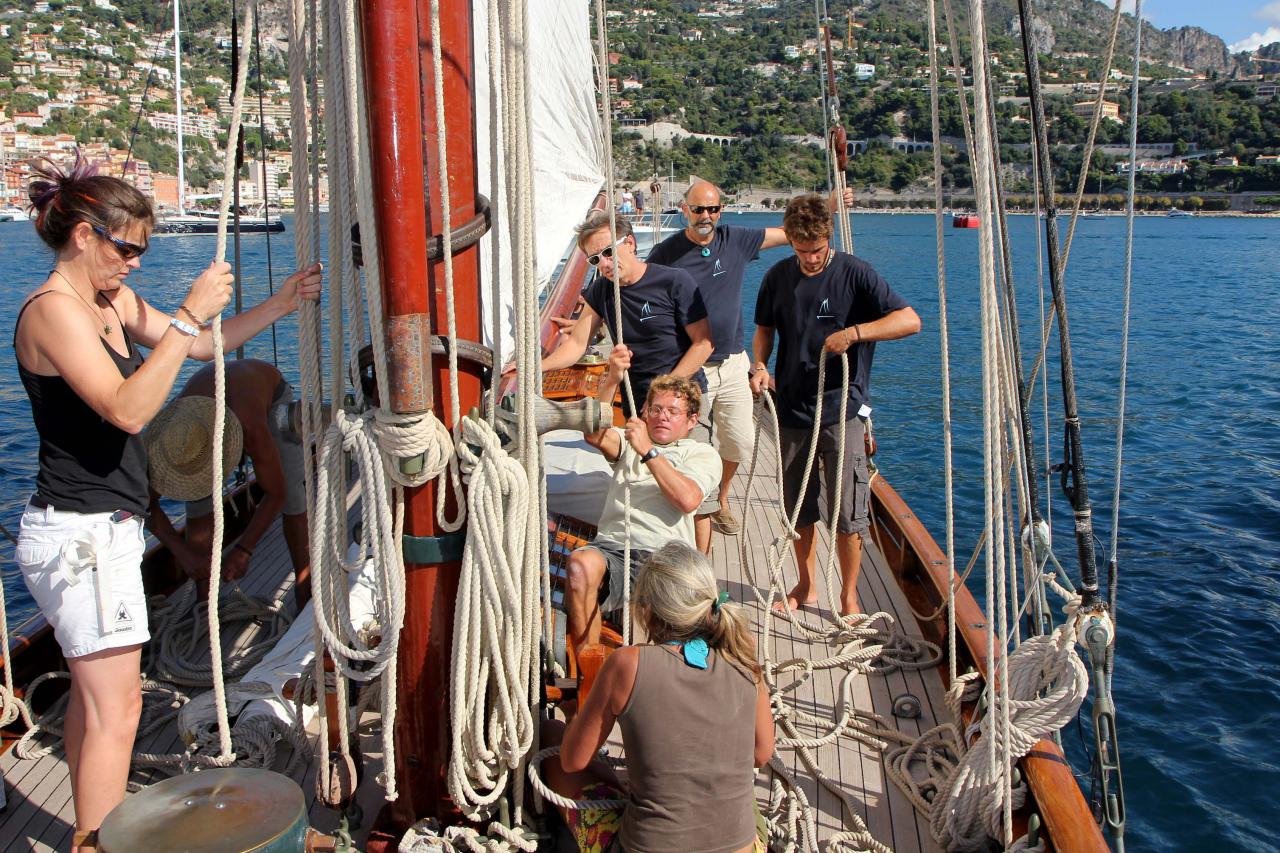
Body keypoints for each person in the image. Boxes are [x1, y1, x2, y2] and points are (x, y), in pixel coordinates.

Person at [11, 153, 322, 849]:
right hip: (78, 536)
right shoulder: (51, 314)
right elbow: (126, 407)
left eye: (143, 252)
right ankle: (95, 840)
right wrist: (185, 312)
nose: (134, 264)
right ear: (83, 235)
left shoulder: (108, 302)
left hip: (107, 529)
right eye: (126, 249)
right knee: (117, 707)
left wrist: (278, 304)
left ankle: (88, 838)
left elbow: (200, 347)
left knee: (97, 706)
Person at [647, 180, 854, 548]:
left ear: (720, 211)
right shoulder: (666, 253)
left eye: (713, 209)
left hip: (732, 362)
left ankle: (721, 494)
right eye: (698, 209)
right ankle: (701, 512)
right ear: (684, 211)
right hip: (691, 366)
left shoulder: (736, 239)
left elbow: (792, 233)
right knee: (695, 445)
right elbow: (638, 285)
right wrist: (593, 310)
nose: (706, 216)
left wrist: (831, 205)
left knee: (739, 444)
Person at [543, 541, 774, 853]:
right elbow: (761, 754)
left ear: (648, 612)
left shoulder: (626, 664)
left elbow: (573, 761)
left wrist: (572, 717)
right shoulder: (744, 659)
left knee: (551, 740)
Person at [750, 193, 919, 617]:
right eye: (801, 250)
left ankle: (848, 597)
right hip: (791, 410)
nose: (809, 259)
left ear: (830, 238)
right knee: (799, 511)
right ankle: (806, 587)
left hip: (842, 411)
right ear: (790, 242)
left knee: (847, 513)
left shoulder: (856, 274)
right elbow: (764, 330)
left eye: (817, 250)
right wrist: (758, 364)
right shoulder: (776, 278)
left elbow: (909, 320)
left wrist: (856, 333)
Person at [563, 347, 721, 650]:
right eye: (656, 409)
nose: (662, 417)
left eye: (673, 412)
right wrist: (612, 379)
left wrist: (648, 451)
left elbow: (687, 499)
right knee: (581, 564)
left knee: (672, 634)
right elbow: (593, 436)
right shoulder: (628, 440)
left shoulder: (701, 454)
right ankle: (589, 672)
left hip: (667, 555)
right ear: (645, 412)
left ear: (691, 421)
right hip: (615, 547)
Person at [143, 359, 312, 610]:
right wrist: (183, 554)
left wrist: (244, 549)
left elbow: (276, 493)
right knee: (198, 506)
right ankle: (205, 604)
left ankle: (304, 588)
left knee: (294, 498)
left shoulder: (250, 426)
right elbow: (143, 503)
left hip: (267, 397)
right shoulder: (171, 439)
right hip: (202, 416)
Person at [539, 211, 713, 420]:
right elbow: (577, 344)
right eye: (595, 259)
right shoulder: (601, 290)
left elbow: (703, 345)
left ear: (630, 243)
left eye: (609, 252)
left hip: (681, 399)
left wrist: (663, 393)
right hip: (638, 402)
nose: (604, 264)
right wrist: (537, 367)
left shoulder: (674, 281)